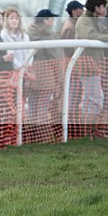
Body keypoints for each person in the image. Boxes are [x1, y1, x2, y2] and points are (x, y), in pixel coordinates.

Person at [74, 0, 108, 137]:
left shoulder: (95, 20)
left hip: (93, 64)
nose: (105, 9)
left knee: (90, 99)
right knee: (95, 98)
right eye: (103, 7)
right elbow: (90, 35)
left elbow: (105, 33)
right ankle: (88, 132)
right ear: (97, 8)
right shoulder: (85, 20)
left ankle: (88, 133)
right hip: (87, 65)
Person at [25, 9, 63, 142]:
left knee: (32, 108)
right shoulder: (48, 37)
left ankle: (30, 138)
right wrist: (60, 80)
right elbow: (56, 59)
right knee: (42, 108)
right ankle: (43, 138)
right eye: (51, 18)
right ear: (45, 20)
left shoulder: (29, 34)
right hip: (46, 76)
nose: (53, 21)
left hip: (31, 75)